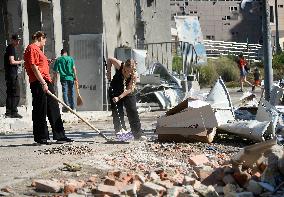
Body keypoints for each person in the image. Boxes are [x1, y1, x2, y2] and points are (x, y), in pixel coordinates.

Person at [24, 31, 73, 145]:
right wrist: (42, 83)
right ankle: (41, 137)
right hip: (39, 81)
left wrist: (47, 62)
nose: (45, 42)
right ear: (40, 37)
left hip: (46, 80)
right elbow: (34, 66)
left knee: (53, 107)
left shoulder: (38, 50)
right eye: (44, 40)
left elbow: (39, 64)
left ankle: (60, 135)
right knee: (40, 109)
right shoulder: (32, 48)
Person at [106, 57, 144, 140]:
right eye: (129, 70)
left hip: (127, 92)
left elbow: (129, 89)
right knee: (117, 111)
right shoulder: (120, 65)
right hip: (115, 88)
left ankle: (138, 134)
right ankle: (120, 132)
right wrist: (108, 72)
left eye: (132, 71)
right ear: (125, 67)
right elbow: (109, 59)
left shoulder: (134, 75)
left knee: (132, 110)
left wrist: (119, 97)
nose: (130, 73)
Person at [4, 34, 24, 118]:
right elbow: (12, 61)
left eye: (18, 40)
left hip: (10, 74)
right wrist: (21, 62)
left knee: (10, 93)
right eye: (16, 40)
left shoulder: (9, 48)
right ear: (12, 40)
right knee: (15, 93)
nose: (18, 42)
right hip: (12, 74)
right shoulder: (11, 48)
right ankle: (13, 112)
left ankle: (9, 112)